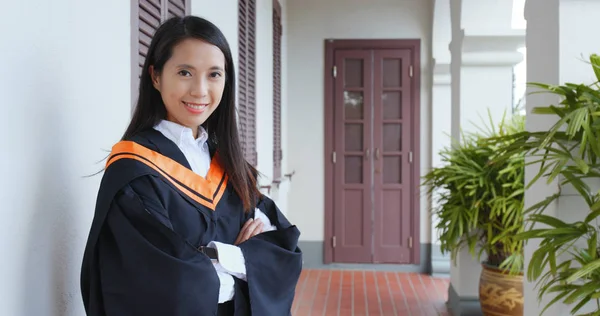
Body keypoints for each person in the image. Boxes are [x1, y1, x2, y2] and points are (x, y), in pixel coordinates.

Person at [80, 15, 303, 316]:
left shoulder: (230, 166)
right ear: (156, 76)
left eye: (214, 74)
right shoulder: (134, 171)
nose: (200, 90)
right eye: (185, 72)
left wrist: (217, 257)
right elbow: (160, 284)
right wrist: (244, 262)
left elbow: (283, 249)